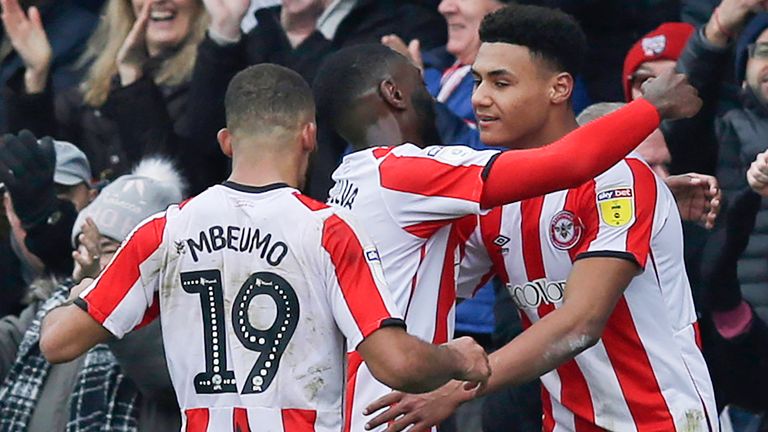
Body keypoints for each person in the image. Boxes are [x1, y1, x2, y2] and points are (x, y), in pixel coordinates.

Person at [37, 64, 492, 432]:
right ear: (309, 135)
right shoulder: (329, 229)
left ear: (226, 141)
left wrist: (83, 293)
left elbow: (57, 342)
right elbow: (397, 364)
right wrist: (457, 358)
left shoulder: (164, 230)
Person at [312, 35, 701, 431]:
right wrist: (650, 107)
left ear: (558, 88)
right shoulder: (411, 176)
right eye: (476, 82)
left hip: (658, 420)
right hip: (398, 412)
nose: (479, 98)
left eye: (500, 83)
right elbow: (571, 162)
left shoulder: (351, 186)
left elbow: (579, 320)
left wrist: (650, 197)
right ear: (393, 94)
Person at [0, 156, 184, 431]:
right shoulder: (50, 310)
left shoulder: (182, 323)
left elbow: (167, 376)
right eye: (83, 247)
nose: (92, 259)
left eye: (111, 249)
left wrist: (104, 304)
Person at [1, 0, 209, 187]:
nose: (158, 0)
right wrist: (36, 77)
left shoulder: (211, 84)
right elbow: (45, 171)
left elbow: (174, 182)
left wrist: (132, 78)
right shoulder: (94, 84)